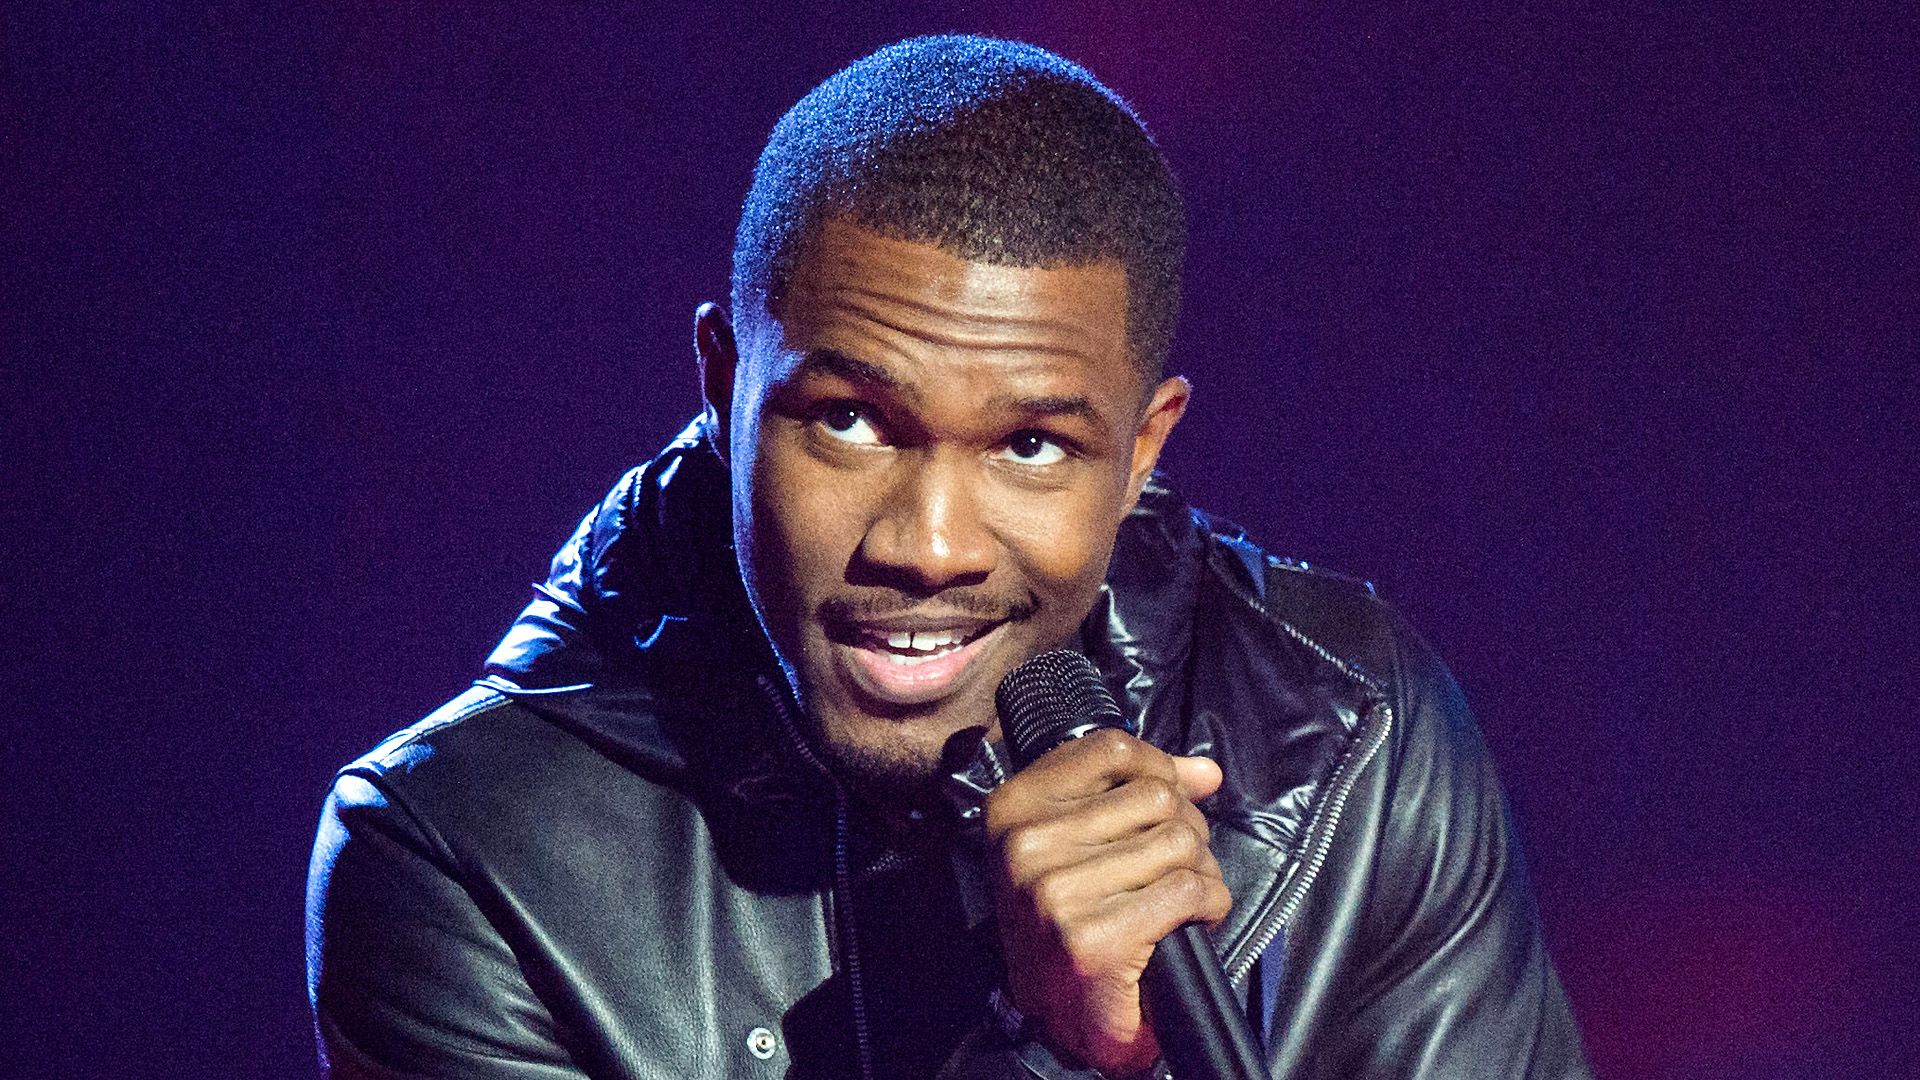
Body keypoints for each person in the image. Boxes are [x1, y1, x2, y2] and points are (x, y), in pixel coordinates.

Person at [305, 34, 1591, 1080]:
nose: (929, 547)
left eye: (1032, 445)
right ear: (721, 385)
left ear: (1144, 450)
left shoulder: (1353, 741)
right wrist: (1051, 1055)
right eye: (850, 421)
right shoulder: (469, 854)